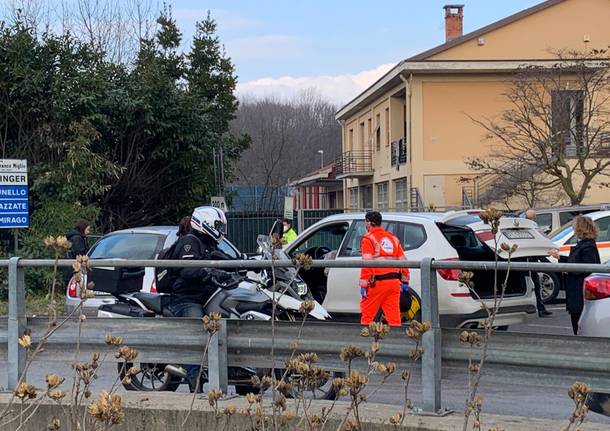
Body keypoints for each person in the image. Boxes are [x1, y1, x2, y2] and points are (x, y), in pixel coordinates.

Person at [170, 206, 233, 390]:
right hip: (187, 298)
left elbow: (223, 259)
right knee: (197, 330)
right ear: (206, 223)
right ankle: (194, 378)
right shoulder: (189, 242)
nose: (221, 230)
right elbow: (187, 268)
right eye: (218, 225)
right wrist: (209, 271)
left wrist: (245, 265)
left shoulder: (208, 243)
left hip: (206, 295)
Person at [549, 215, 601, 335]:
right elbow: (578, 263)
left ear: (580, 228)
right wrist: (559, 257)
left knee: (579, 322)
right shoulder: (585, 244)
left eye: (574, 226)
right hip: (577, 291)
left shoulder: (588, 247)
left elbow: (586, 267)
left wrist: (569, 269)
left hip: (579, 291)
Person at [359, 211, 410, 327]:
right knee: (394, 318)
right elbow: (404, 262)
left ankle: (364, 342)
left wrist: (363, 285)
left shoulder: (368, 239)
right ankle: (396, 342)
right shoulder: (393, 238)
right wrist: (405, 281)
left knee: (367, 316)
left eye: (365, 222)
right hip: (394, 284)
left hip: (376, 284)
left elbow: (367, 263)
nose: (365, 225)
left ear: (369, 223)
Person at [524, 209, 552, 317]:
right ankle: (539, 308)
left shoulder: (526, 228)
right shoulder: (533, 228)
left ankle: (540, 308)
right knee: (534, 285)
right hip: (530, 259)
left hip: (528, 259)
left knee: (534, 284)